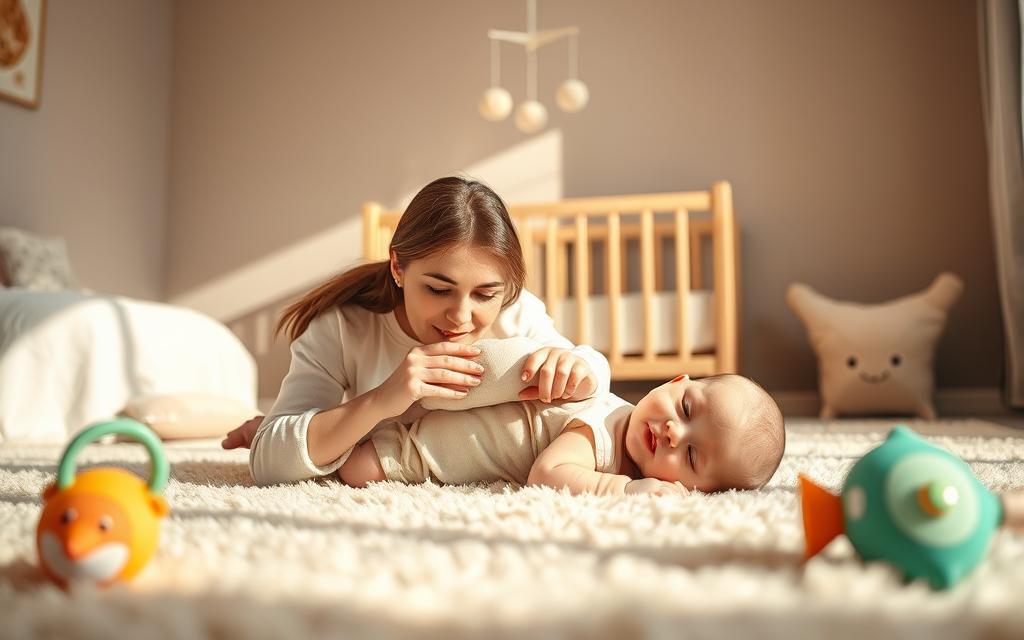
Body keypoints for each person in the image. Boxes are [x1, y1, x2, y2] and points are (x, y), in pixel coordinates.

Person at [234, 176, 611, 486]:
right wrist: (384, 398)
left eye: (485, 294)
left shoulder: (516, 310)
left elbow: (595, 386)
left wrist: (579, 365)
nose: (461, 317)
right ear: (398, 267)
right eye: (438, 290)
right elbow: (268, 463)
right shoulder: (342, 328)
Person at [336, 343, 786, 495]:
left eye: (690, 455)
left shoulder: (623, 445)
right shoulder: (603, 431)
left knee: (353, 460)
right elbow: (547, 473)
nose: (673, 431)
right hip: (427, 441)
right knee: (350, 466)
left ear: (695, 489)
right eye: (686, 408)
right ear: (675, 380)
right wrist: (624, 490)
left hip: (436, 445)